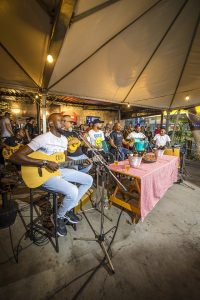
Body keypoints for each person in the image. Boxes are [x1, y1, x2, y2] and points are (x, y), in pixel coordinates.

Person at [10, 113, 93, 237]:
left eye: (64, 121)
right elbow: (15, 157)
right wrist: (44, 162)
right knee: (73, 190)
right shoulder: (43, 138)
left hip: (59, 170)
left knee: (88, 179)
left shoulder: (64, 139)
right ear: (51, 124)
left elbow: (64, 160)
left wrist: (80, 162)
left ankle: (67, 208)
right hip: (43, 175)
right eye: (60, 121)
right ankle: (58, 216)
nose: (64, 123)